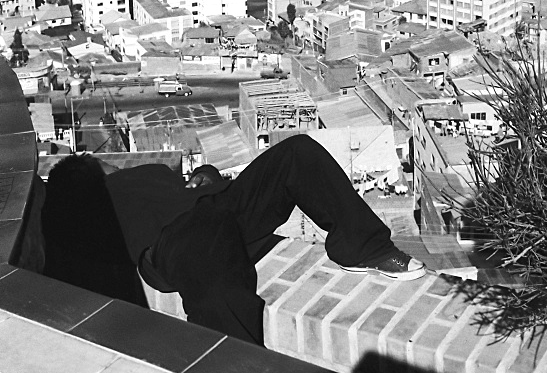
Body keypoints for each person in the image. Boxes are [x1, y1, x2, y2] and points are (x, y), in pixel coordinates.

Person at [42, 134, 425, 346]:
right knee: (224, 296)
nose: (111, 162)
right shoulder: (94, 202)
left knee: (297, 153)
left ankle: (363, 246)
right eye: (100, 163)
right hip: (177, 238)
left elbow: (198, 183)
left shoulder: (150, 172)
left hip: (220, 209)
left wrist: (207, 173)